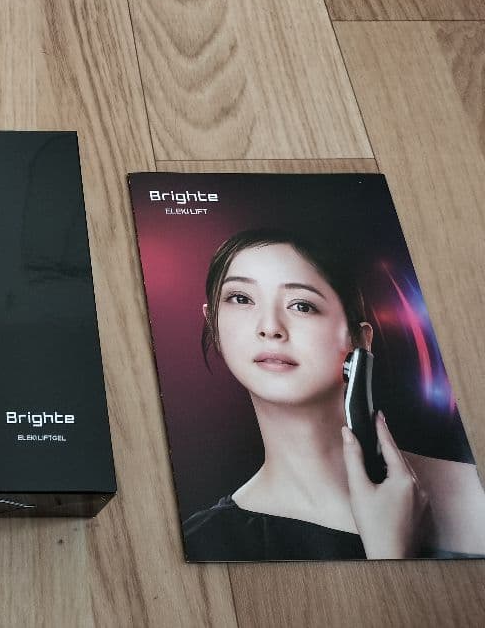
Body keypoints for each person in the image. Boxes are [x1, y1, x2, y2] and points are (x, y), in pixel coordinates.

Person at [183, 228, 485, 560]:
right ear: (212, 322)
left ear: (360, 340)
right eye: (241, 299)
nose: (269, 327)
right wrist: (390, 552)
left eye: (302, 305)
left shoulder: (474, 491)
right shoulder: (206, 542)